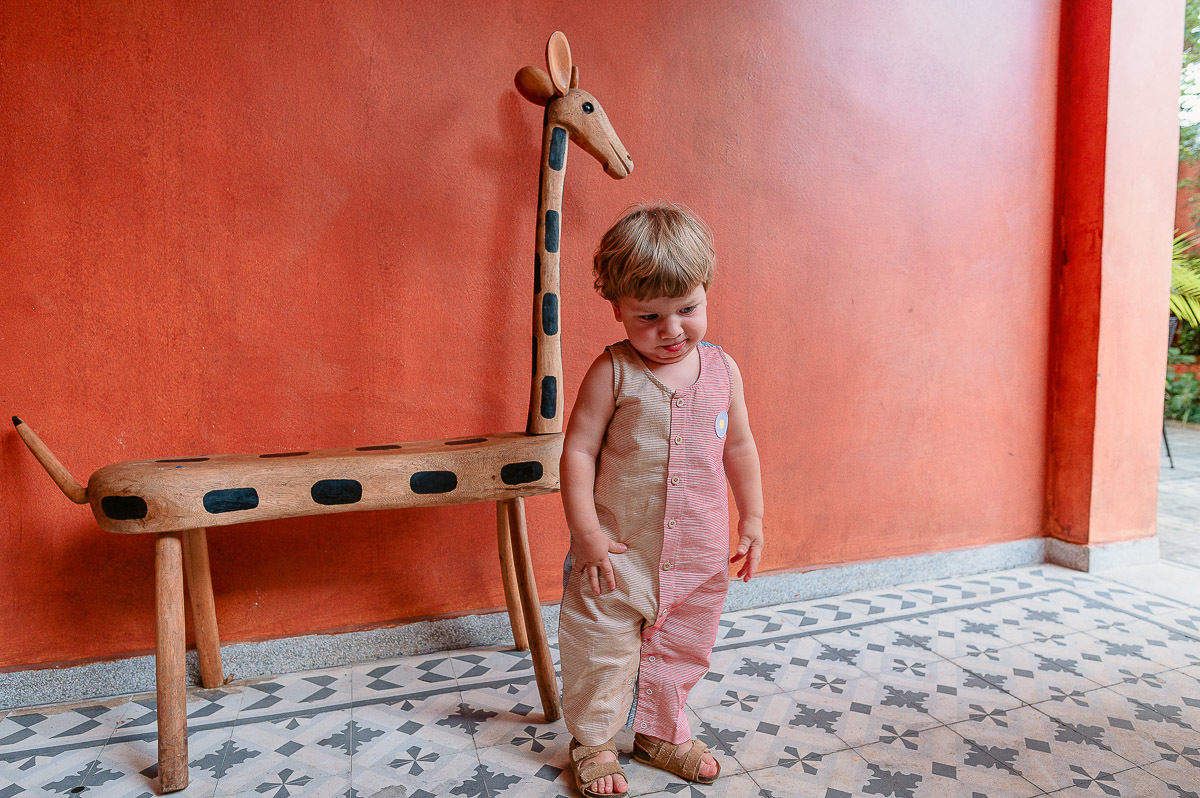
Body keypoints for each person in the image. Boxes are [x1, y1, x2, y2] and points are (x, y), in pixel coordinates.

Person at [558, 203, 765, 796]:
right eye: (648, 316)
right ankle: (594, 742)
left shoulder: (724, 371)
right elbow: (576, 454)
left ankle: (659, 733)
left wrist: (751, 516)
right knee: (601, 649)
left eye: (688, 310)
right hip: (618, 556)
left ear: (706, 294)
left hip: (699, 554)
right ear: (617, 309)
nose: (672, 330)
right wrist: (586, 532)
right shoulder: (613, 372)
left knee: (683, 646)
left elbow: (741, 446)